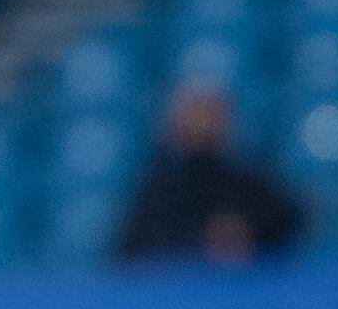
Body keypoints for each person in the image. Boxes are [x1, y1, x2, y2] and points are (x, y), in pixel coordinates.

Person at [113, 84, 308, 266]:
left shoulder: (251, 183)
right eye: (194, 114)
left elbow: (289, 229)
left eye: (209, 113)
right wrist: (201, 243)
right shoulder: (158, 189)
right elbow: (133, 255)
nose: (202, 124)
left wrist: (246, 235)